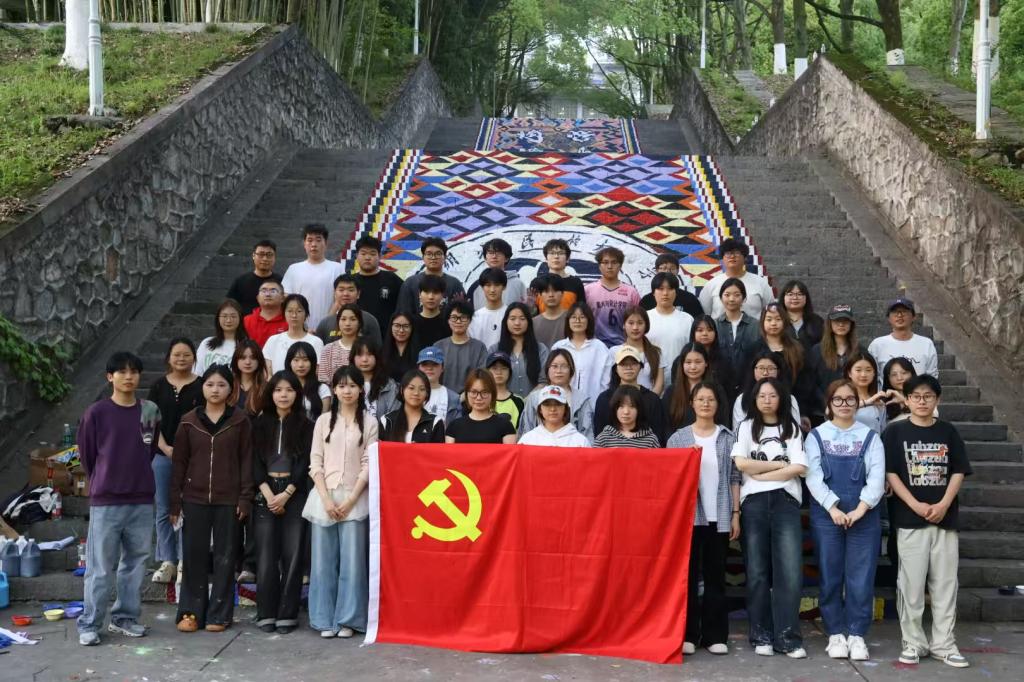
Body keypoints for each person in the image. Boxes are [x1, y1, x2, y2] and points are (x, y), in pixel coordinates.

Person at [884, 374, 972, 668]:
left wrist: (944, 504)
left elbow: (958, 470)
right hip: (909, 519)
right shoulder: (895, 432)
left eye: (928, 396)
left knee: (945, 584)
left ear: (937, 400)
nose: (922, 401)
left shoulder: (948, 431)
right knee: (910, 585)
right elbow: (891, 473)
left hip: (945, 520)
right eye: (916, 396)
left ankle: (944, 644)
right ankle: (913, 643)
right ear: (907, 400)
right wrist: (915, 505)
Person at [76, 352, 161, 647]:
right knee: (100, 567)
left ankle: (124, 618)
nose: (129, 376)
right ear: (109, 377)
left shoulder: (149, 410)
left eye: (134, 371)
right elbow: (87, 455)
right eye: (122, 372)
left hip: (141, 498)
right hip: (107, 500)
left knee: (135, 564)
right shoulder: (96, 412)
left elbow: (149, 449)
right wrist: (104, 478)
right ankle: (90, 623)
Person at [804, 378, 886, 661]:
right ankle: (835, 633)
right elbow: (812, 477)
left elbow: (877, 478)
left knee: (861, 576)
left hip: (864, 514)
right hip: (827, 514)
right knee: (830, 574)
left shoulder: (870, 437)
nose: (844, 404)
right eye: (837, 399)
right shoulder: (816, 436)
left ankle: (857, 634)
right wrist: (833, 508)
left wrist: (860, 509)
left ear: (857, 403)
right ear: (829, 404)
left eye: (850, 399)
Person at [170, 365, 253, 634]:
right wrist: (175, 502)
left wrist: (245, 498)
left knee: (225, 558)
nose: (215, 390)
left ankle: (220, 614)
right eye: (210, 384)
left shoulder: (240, 420)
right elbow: (179, 464)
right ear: (202, 387)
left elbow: (247, 461)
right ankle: (190, 613)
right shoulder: (188, 421)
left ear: (231, 389)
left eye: (221, 385)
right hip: (194, 498)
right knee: (193, 557)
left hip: (229, 499)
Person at [731, 377, 808, 658]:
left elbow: (799, 467)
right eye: (762, 395)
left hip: (786, 501)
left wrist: (762, 473)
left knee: (789, 571)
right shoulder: (746, 427)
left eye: (772, 395)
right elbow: (741, 463)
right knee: (757, 571)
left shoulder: (792, 428)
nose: (767, 400)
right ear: (754, 399)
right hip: (753, 502)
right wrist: (779, 465)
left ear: (781, 398)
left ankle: (788, 637)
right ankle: (760, 634)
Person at [668, 381, 740, 655]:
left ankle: (715, 635)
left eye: (711, 399)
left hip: (719, 516)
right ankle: (688, 634)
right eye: (700, 399)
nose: (706, 404)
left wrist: (735, 514)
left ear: (718, 404)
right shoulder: (678, 439)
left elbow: (735, 477)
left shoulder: (728, 438)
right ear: (692, 403)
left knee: (715, 576)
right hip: (688, 518)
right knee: (686, 577)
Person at [306, 366, 378, 638]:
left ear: (361, 390)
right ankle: (324, 619)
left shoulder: (370, 422)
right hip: (324, 497)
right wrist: (325, 498)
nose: (347, 391)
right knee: (322, 562)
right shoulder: (323, 421)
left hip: (355, 497)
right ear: (334, 390)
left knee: (353, 562)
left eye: (352, 385)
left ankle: (349, 619)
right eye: (342, 386)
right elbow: (315, 461)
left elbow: (369, 463)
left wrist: (351, 499)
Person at [251, 371, 313, 634]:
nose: (283, 395)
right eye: (278, 390)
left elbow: (305, 462)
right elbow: (253, 461)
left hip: (294, 493)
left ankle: (287, 614)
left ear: (297, 394)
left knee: (293, 554)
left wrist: (287, 493)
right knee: (266, 555)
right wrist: (267, 493)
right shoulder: (259, 424)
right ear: (271, 394)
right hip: (265, 491)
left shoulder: (306, 425)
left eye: (289, 390)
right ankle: (266, 612)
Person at [147, 339, 203, 586]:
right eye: (176, 354)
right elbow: (149, 421)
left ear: (194, 357)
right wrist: (164, 447)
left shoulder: (202, 385)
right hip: (162, 455)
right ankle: (167, 560)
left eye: (186, 354)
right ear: (169, 357)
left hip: (193, 457)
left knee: (188, 507)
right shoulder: (158, 386)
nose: (181, 359)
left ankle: (184, 560)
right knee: (163, 508)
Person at [593, 346, 668, 445]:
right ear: (616, 368)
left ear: (640, 367)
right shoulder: (604, 398)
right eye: (623, 364)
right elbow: (599, 433)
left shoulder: (652, 399)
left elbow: (658, 435)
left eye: (633, 363)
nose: (628, 368)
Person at [756, 302, 813, 428]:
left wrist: (803, 412)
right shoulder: (754, 349)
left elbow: (804, 383)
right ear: (762, 322)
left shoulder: (797, 349)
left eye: (778, 319)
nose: (773, 323)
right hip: (761, 408)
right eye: (769, 319)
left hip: (791, 407)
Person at [518, 349, 595, 441]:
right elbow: (526, 429)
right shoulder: (534, 398)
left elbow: (588, 434)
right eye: (554, 366)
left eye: (564, 366)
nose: (559, 371)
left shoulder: (581, 399)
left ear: (571, 370)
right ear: (547, 369)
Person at [281, 224, 346, 328]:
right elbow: (287, 299)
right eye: (310, 240)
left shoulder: (337, 269)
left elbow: (340, 300)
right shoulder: (293, 269)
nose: (314, 244)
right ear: (304, 244)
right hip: (299, 328)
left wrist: (325, 325)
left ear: (326, 243)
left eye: (318, 240)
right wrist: (303, 327)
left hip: (329, 327)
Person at [552, 302, 611, 407]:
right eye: (573, 317)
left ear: (589, 320)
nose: (577, 321)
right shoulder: (559, 347)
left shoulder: (600, 348)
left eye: (582, 317)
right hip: (562, 406)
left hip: (593, 405)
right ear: (568, 321)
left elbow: (606, 381)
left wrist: (600, 402)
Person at [806, 304, 859, 424]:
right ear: (829, 324)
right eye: (837, 321)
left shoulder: (859, 351)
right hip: (821, 413)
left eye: (845, 321)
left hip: (851, 411)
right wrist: (827, 403)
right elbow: (811, 382)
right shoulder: (817, 350)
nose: (841, 324)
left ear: (851, 324)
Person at [699, 238, 775, 320]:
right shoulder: (711, 285)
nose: (732, 256)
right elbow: (705, 315)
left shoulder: (760, 283)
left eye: (736, 253)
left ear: (745, 258)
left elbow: (771, 311)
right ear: (722, 258)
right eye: (728, 253)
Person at [868, 298, 938, 381]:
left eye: (904, 311)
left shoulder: (926, 344)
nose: (899, 315)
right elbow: (872, 375)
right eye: (895, 312)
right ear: (889, 318)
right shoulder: (877, 345)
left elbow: (932, 376)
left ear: (913, 317)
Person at [489, 302, 549, 397]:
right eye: (512, 319)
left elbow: (544, 381)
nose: (517, 323)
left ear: (528, 322)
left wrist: (528, 401)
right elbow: (489, 380)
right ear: (506, 322)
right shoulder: (495, 350)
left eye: (522, 319)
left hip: (534, 403)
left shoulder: (541, 349)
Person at [584, 246, 640, 346]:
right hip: (594, 346)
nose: (609, 266)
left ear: (620, 266)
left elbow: (639, 320)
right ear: (599, 266)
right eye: (605, 262)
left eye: (614, 262)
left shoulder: (631, 292)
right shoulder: (588, 290)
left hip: (624, 346)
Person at [733, 351, 802, 430]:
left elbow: (796, 430)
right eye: (761, 368)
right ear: (753, 370)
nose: (765, 373)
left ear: (778, 371)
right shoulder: (742, 399)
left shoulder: (790, 399)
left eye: (771, 368)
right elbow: (737, 431)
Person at [396, 237, 466, 314]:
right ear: (423, 257)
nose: (433, 257)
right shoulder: (410, 283)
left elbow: (463, 313)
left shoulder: (454, 284)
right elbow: (403, 313)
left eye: (438, 254)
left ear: (445, 257)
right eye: (429, 254)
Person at [445, 370, 518, 444]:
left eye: (484, 392)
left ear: (493, 394)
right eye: (474, 392)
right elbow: (449, 451)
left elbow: (510, 451)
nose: (479, 398)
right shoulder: (454, 426)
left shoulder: (506, 426)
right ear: (466, 393)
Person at [715, 279, 761, 394]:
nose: (731, 299)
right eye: (727, 295)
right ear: (721, 298)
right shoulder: (714, 325)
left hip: (749, 385)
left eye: (737, 295)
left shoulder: (756, 325)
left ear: (744, 298)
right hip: (719, 386)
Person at [645, 273, 695, 376]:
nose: (665, 293)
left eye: (670, 289)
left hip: (680, 377)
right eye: (661, 289)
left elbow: (693, 350)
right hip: (649, 377)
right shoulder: (644, 318)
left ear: (676, 292)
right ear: (653, 292)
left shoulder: (687, 319)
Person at [610, 306, 667, 395]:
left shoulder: (656, 352)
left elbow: (659, 384)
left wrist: (650, 400)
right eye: (631, 323)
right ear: (624, 325)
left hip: (649, 401)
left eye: (640, 323)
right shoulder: (614, 351)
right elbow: (612, 383)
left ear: (646, 325)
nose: (635, 327)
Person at [314, 275, 383, 347]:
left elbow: (377, 348)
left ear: (358, 294)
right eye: (341, 290)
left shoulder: (369, 320)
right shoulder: (325, 323)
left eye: (351, 290)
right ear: (334, 293)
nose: (345, 294)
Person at [351, 235, 404, 330]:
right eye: (363, 253)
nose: (367, 257)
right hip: (356, 334)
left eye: (372, 254)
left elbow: (404, 307)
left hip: (387, 335)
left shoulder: (392, 279)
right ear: (356, 256)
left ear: (380, 256)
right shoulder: (350, 282)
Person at [379, 369, 446, 442]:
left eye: (422, 389)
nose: (416, 393)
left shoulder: (435, 422)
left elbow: (438, 449)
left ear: (427, 393)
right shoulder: (387, 421)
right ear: (402, 390)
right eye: (411, 388)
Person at [436, 300, 489, 393]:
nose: (458, 321)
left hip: (471, 397)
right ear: (448, 320)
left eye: (463, 317)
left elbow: (482, 377)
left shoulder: (479, 347)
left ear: (469, 320)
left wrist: (466, 395)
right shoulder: (438, 347)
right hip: (442, 397)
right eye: (454, 317)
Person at [664, 343, 719, 431]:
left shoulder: (717, 390)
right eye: (688, 362)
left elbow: (723, 422)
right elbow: (665, 426)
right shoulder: (671, 392)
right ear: (682, 364)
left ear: (706, 363)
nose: (693, 367)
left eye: (698, 362)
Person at [263, 294, 325, 372]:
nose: (294, 315)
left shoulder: (316, 342)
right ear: (284, 313)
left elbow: (317, 372)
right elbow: (268, 373)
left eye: (299, 311)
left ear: (306, 314)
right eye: (290, 311)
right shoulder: (273, 340)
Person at [519, 384, 591, 447]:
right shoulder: (527, 440)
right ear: (540, 409)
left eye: (558, 404)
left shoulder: (580, 441)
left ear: (565, 408)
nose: (552, 409)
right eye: (547, 405)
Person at [594, 385, 662, 448]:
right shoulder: (604, 438)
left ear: (639, 409)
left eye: (632, 406)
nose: (626, 412)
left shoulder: (650, 440)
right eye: (621, 406)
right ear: (615, 409)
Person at [689, 314, 737, 402]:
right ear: (693, 333)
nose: (705, 333)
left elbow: (729, 392)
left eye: (709, 330)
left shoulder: (724, 361)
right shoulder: (683, 360)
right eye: (700, 330)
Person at [640, 253, 703, 318]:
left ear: (678, 271)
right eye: (664, 268)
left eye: (672, 268)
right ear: (656, 271)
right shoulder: (647, 301)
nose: (668, 271)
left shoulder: (690, 299)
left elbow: (699, 321)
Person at [467, 238, 527, 307]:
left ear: (506, 258)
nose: (494, 256)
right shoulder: (477, 285)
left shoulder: (518, 284)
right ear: (485, 258)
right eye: (490, 253)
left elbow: (525, 310)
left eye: (499, 253)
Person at [227, 240, 282, 314]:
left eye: (269, 255)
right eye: (261, 254)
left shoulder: (282, 282)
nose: (265, 258)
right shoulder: (240, 281)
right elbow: (230, 306)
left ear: (275, 257)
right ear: (253, 256)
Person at [350, 337, 399, 419]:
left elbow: (394, 417)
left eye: (369, 354)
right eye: (360, 354)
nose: (364, 359)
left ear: (377, 357)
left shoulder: (389, 385)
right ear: (353, 358)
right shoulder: (346, 383)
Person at [195, 300, 249, 373]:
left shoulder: (246, 346)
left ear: (240, 318)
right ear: (218, 318)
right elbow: (197, 372)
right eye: (224, 316)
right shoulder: (206, 343)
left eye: (233, 316)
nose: (228, 320)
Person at [283, 341, 331, 420]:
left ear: (312, 362)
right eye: (296, 360)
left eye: (305, 360)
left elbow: (324, 420)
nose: (301, 365)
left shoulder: (322, 388)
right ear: (289, 362)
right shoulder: (282, 387)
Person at [317, 304, 363, 384]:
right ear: (338, 322)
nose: (347, 323)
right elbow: (323, 381)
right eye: (343, 319)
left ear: (359, 322)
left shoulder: (366, 348)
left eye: (353, 319)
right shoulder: (328, 349)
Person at [844, 350, 888, 433]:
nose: (863, 374)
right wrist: (867, 402)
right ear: (849, 373)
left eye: (868, 370)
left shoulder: (879, 403)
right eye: (858, 370)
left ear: (874, 373)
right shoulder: (841, 397)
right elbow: (830, 413)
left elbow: (883, 432)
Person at [417, 346, 462, 423]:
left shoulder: (453, 397)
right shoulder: (409, 393)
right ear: (419, 368)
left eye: (434, 364)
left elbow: (456, 427)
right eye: (425, 364)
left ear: (442, 368)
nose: (429, 368)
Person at [538, 238, 586, 311]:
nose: (556, 257)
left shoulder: (575, 282)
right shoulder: (537, 282)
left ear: (568, 258)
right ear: (546, 258)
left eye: (561, 253)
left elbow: (582, 310)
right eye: (552, 253)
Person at [468, 268, 509, 349]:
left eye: (497, 285)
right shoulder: (475, 317)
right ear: (482, 287)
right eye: (488, 285)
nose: (492, 290)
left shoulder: (510, 314)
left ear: (504, 287)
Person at [242, 277, 288, 347]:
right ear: (257, 298)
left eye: (273, 291)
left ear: (282, 298)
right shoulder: (246, 321)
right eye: (263, 291)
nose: (267, 294)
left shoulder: (289, 321)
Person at [485, 351, 525, 430]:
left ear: (509, 372)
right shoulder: (481, 399)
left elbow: (521, 430)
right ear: (487, 371)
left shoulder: (518, 401)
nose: (499, 372)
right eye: (494, 368)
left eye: (504, 368)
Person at [779, 280, 824, 350]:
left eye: (799, 294)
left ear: (806, 298)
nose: (795, 298)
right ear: (783, 298)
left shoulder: (816, 321)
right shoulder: (777, 320)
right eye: (790, 294)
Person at [229, 339, 269, 416]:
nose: (248, 362)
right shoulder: (228, 384)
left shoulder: (266, 388)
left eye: (253, 358)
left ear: (259, 360)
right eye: (243, 358)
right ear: (236, 360)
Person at [410, 274, 450, 351]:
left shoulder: (449, 323)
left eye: (435, 292)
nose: (430, 297)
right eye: (426, 292)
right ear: (419, 294)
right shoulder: (411, 322)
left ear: (442, 295)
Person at [531, 274, 568, 349]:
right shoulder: (533, 323)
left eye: (555, 291)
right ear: (540, 295)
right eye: (546, 291)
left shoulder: (572, 319)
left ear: (562, 293)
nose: (551, 295)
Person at [382, 311, 417, 383]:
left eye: (406, 326)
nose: (401, 330)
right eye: (397, 325)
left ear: (412, 327)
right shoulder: (382, 352)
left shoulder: (419, 351)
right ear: (391, 326)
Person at [882, 357, 917, 423]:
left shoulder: (923, 395)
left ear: (912, 374)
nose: (899, 378)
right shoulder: (883, 402)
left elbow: (933, 415)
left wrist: (903, 400)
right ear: (888, 378)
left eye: (904, 373)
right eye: (894, 374)